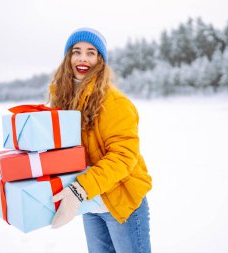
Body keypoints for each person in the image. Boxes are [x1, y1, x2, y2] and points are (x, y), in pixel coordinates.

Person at [48, 27, 152, 253]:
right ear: (68, 58)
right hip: (91, 202)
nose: (83, 58)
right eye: (76, 51)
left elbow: (123, 157)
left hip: (122, 202)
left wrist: (79, 190)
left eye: (91, 52)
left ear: (100, 61)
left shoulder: (114, 102)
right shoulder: (65, 102)